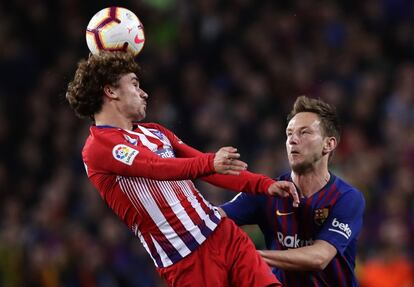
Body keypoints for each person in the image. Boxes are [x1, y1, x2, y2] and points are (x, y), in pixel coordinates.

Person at [65, 51, 299, 287]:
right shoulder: (98, 148)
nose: (144, 93)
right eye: (135, 85)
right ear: (111, 91)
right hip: (186, 261)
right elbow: (154, 167)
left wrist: (265, 185)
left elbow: (212, 169)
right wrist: (209, 162)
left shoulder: (155, 132)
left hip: (223, 234)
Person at [220, 96, 365, 287]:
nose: (293, 140)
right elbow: (211, 219)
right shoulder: (268, 192)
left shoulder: (347, 198)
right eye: (289, 134)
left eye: (304, 133)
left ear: (328, 144)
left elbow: (319, 257)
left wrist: (251, 256)